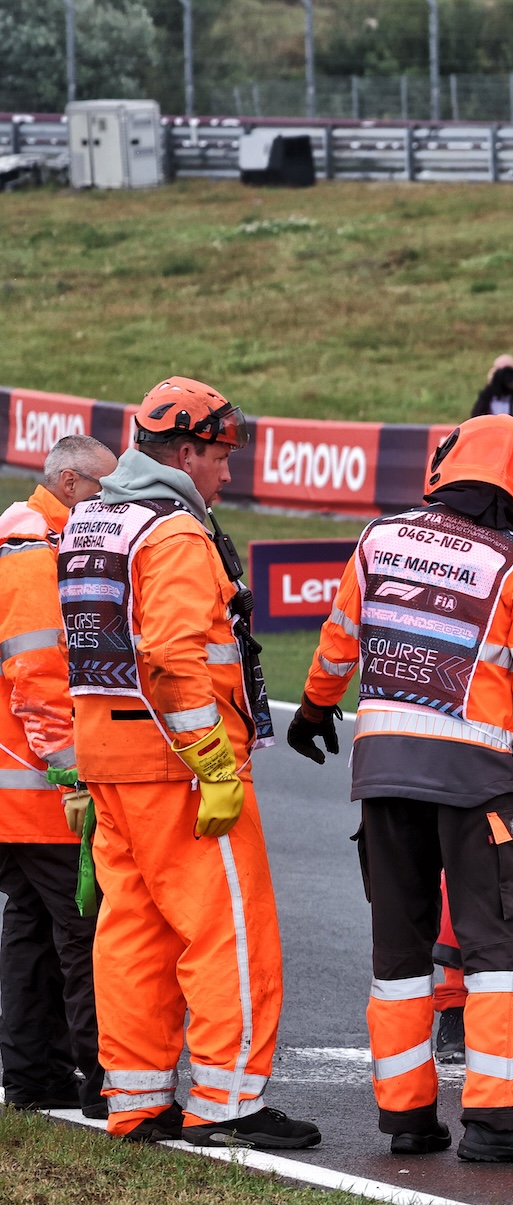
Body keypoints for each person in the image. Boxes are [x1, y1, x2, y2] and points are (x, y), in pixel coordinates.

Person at [289, 414, 513, 1163]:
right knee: (499, 946)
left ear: (443, 470)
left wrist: (315, 706)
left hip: (384, 777)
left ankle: (408, 1118)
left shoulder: (379, 540)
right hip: (472, 784)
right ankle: (494, 1122)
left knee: (400, 950)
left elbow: (339, 635)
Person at [61, 378, 319, 1149]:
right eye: (219, 456)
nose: (226, 473)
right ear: (183, 452)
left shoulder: (91, 521)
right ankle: (228, 1099)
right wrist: (213, 763)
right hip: (176, 762)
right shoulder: (172, 533)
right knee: (229, 931)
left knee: (133, 930)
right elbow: (173, 656)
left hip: (108, 757)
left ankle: (137, 1099)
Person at [0, 435, 117, 1118]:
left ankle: (34, 1074)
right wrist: (73, 769)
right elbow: (40, 676)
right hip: (41, 789)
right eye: (104, 490)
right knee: (83, 929)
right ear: (70, 483)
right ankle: (106, 1079)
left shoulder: (30, 542)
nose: (114, 504)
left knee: (35, 929)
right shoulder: (35, 555)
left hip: (21, 785)